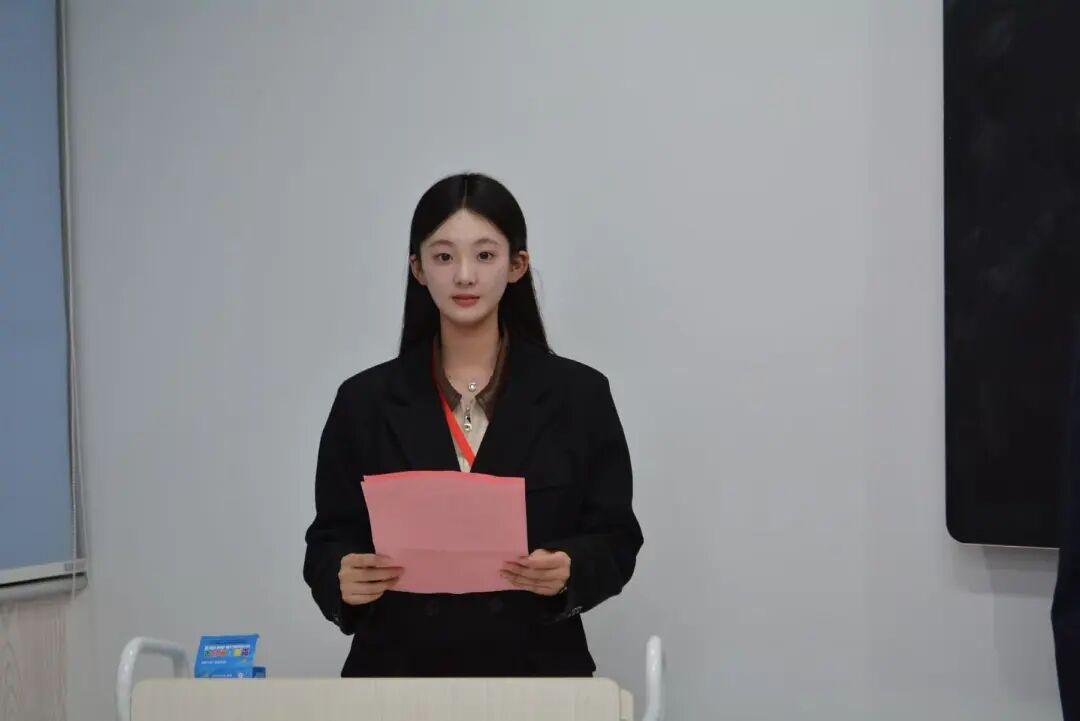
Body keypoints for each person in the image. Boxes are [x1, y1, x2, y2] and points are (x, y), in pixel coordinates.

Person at [303, 172, 643, 678]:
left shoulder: (579, 395)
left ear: (516, 265)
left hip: (536, 676)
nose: (464, 276)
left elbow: (616, 536)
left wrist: (571, 569)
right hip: (396, 677)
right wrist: (341, 578)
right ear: (418, 269)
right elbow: (328, 540)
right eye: (444, 257)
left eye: (485, 255)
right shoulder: (364, 401)